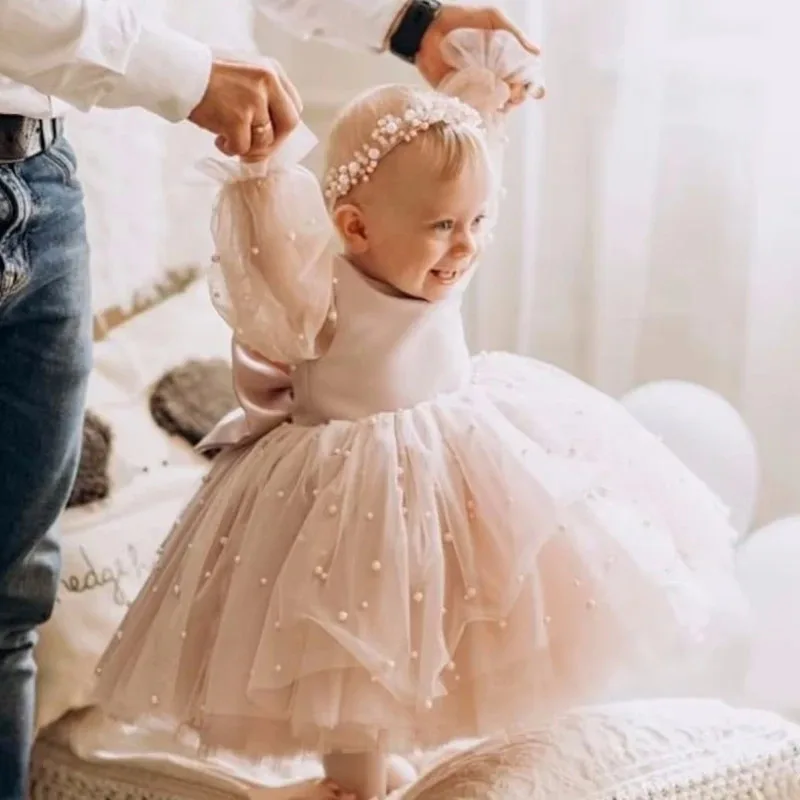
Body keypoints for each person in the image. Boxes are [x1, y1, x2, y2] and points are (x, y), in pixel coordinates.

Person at [92, 31, 750, 800]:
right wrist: (261, 176)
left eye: (474, 222)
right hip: (346, 483)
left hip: (454, 447)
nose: (465, 246)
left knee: (476, 605)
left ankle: (444, 763)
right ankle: (353, 782)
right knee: (351, 638)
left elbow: (468, 161)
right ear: (357, 226)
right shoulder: (319, 286)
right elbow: (265, 254)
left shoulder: (444, 236)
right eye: (442, 227)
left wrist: (485, 94)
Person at [0, 1, 539, 797]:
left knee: (13, 595)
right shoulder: (314, 273)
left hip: (42, 169)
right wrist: (185, 75)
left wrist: (410, 20)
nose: (463, 244)